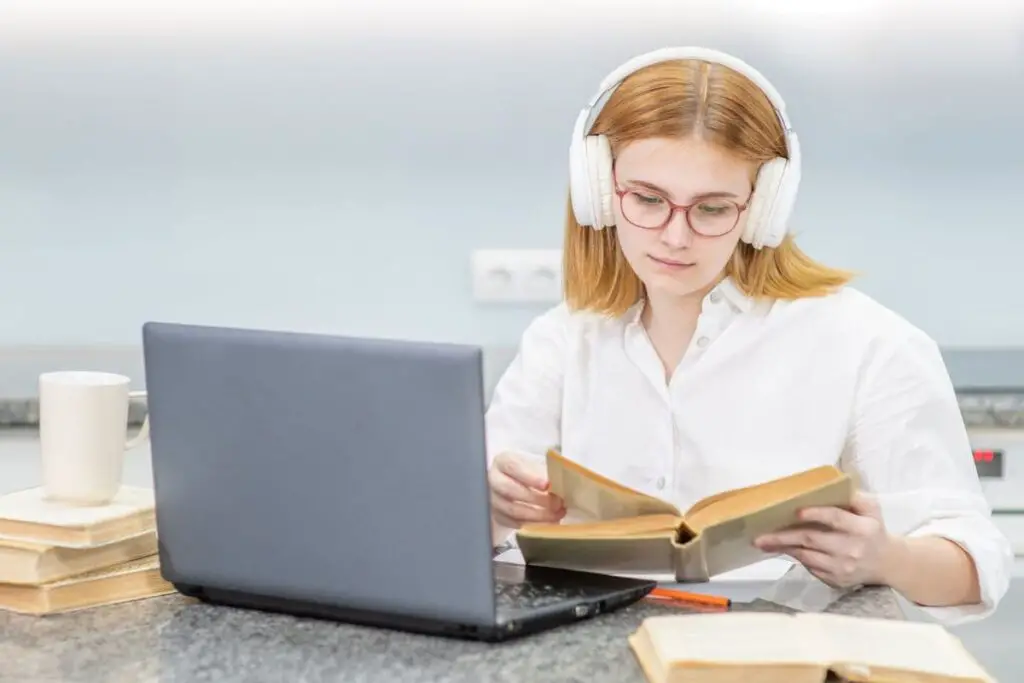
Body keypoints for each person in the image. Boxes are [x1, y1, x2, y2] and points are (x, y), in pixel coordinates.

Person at [483, 46, 1012, 625]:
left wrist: (887, 556)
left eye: (712, 209)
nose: (675, 236)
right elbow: (460, 530)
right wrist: (494, 508)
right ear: (601, 194)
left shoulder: (868, 343)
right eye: (649, 199)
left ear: (763, 209)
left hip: (786, 650)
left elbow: (975, 563)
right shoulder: (561, 340)